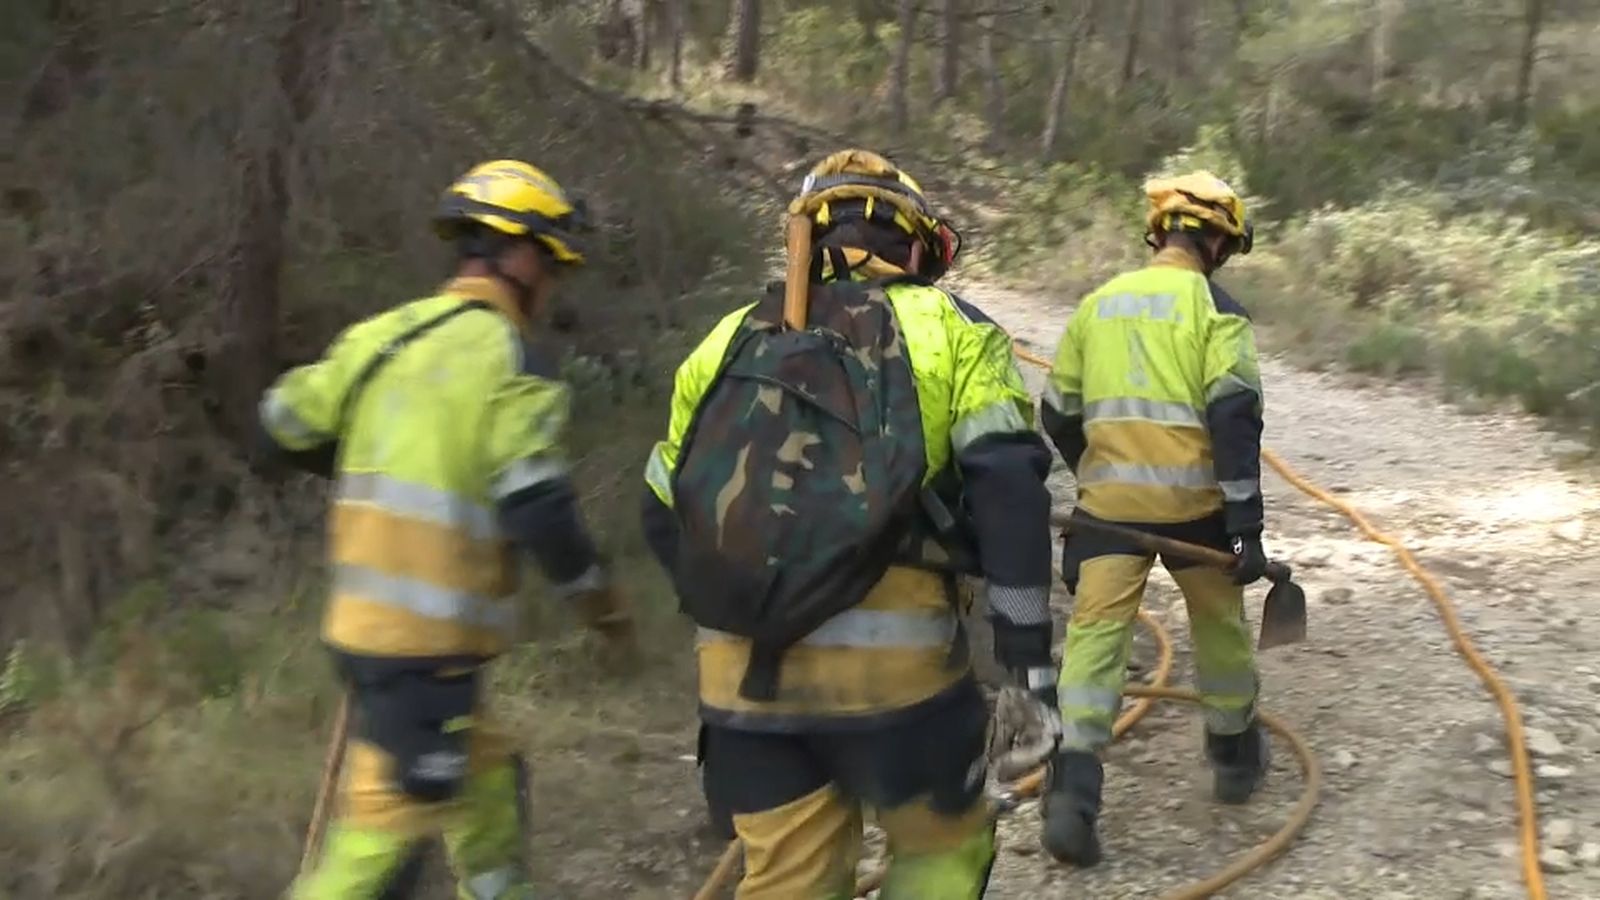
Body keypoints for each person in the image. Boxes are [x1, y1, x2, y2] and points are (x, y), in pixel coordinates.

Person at [639, 149, 1057, 898]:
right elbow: (1009, 492)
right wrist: (1029, 666)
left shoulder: (728, 338)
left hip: (743, 689)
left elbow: (660, 508)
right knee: (943, 855)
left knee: (787, 883)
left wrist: (742, 613)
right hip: (900, 691)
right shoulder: (954, 330)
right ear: (919, 244)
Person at [259, 159, 638, 899]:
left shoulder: (383, 337)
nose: (553, 286)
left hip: (373, 637)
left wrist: (357, 453)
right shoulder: (509, 358)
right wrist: (601, 605)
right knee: (377, 851)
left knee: (491, 777)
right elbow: (538, 505)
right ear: (522, 256)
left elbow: (280, 424)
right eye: (553, 264)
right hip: (421, 652)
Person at [1037, 170, 1271, 866]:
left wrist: (1096, 471)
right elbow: (1233, 417)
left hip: (1109, 511)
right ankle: (1233, 758)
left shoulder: (1097, 304)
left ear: (1159, 233)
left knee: (1095, 641)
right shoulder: (1217, 311)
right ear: (1221, 244)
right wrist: (1247, 526)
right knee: (1220, 627)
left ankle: (1073, 793)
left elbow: (1058, 412)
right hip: (1196, 511)